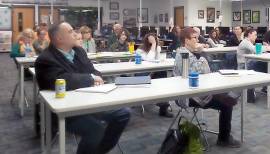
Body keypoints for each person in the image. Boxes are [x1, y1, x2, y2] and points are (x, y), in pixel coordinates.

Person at [34, 22, 131, 154]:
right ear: (59, 38)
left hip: (89, 101)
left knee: (123, 113)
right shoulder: (45, 59)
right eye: (70, 31)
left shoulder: (78, 51)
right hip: (67, 109)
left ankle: (99, 151)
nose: (75, 33)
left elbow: (93, 71)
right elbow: (63, 79)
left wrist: (95, 78)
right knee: (96, 129)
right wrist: (90, 79)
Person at [174, 27, 241, 148]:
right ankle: (224, 139)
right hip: (189, 95)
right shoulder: (183, 54)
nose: (197, 40)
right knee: (227, 103)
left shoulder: (188, 53)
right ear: (186, 40)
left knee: (228, 96)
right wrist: (202, 57)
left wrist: (198, 54)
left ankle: (224, 136)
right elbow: (195, 73)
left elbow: (204, 72)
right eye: (194, 38)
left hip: (197, 90)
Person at [136, 33, 173, 117]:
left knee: (162, 73)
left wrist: (156, 47)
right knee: (161, 76)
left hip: (155, 73)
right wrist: (153, 45)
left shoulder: (158, 48)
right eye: (152, 40)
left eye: (155, 40)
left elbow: (157, 61)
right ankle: (163, 107)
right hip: (143, 74)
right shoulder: (139, 50)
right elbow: (149, 60)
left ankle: (163, 105)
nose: (155, 42)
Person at [237, 29, 270, 103]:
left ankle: (265, 87)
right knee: (267, 66)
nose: (256, 37)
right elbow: (255, 50)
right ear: (249, 34)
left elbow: (254, 53)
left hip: (248, 63)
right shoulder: (245, 42)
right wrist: (267, 48)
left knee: (267, 65)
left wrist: (263, 51)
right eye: (255, 35)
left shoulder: (249, 42)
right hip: (244, 66)